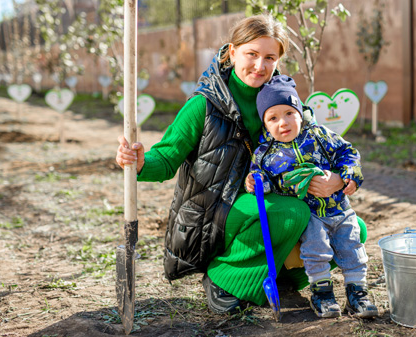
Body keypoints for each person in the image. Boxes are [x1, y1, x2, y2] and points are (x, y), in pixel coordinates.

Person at [116, 14, 367, 316]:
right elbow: (167, 158)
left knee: (355, 230)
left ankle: (278, 275)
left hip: (273, 199)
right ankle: (223, 276)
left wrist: (340, 179)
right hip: (218, 213)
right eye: (252, 54)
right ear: (233, 52)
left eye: (269, 57)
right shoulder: (205, 104)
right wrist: (140, 162)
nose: (260, 66)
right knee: (292, 213)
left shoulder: (283, 100)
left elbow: (325, 143)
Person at [244, 75, 378, 318]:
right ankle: (322, 293)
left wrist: (350, 175)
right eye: (273, 118)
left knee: (352, 248)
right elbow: (261, 180)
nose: (283, 122)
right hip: (309, 214)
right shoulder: (265, 154)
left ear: (299, 112)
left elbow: (347, 152)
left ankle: (357, 293)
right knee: (316, 251)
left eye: (289, 113)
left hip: (339, 208)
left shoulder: (318, 135)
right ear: (265, 124)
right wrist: (254, 182)